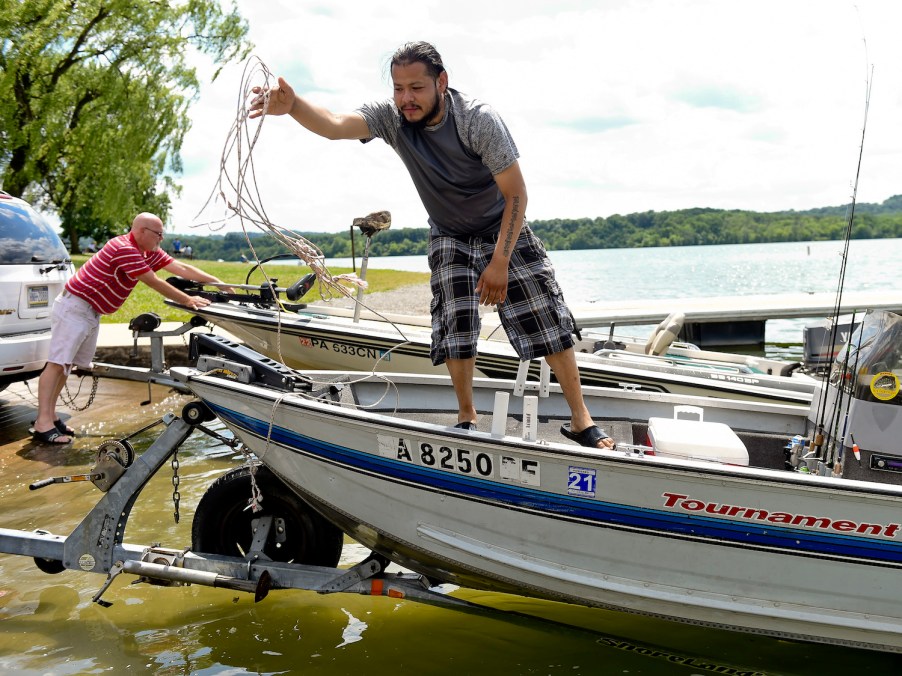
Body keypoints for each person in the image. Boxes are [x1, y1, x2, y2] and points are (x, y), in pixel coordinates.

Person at [250, 41, 614, 450]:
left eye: (417, 88)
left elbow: (517, 195)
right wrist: (294, 105)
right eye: (398, 87)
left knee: (547, 320)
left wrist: (500, 262)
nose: (406, 98)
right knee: (455, 325)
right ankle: (466, 418)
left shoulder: (478, 120)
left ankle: (581, 420)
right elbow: (335, 124)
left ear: (442, 82)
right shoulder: (392, 118)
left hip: (503, 228)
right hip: (448, 234)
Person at [32, 213, 228, 444]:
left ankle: (51, 417)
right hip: (75, 307)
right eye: (158, 234)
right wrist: (188, 300)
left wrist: (218, 282)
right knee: (57, 364)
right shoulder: (124, 248)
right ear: (142, 231)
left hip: (88, 310)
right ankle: (42, 423)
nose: (162, 239)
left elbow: (180, 267)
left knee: (66, 366)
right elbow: (153, 281)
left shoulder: (146, 251)